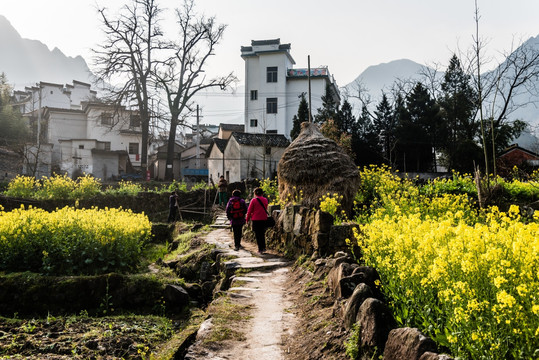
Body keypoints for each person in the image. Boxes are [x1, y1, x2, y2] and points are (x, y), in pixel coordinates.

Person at [246, 187, 269, 254]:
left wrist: (247, 219)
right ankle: (264, 247)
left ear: (255, 193)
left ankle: (260, 249)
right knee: (262, 233)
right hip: (264, 218)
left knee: (258, 234)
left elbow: (249, 211)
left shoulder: (253, 200)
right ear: (262, 193)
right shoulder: (265, 200)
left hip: (256, 219)